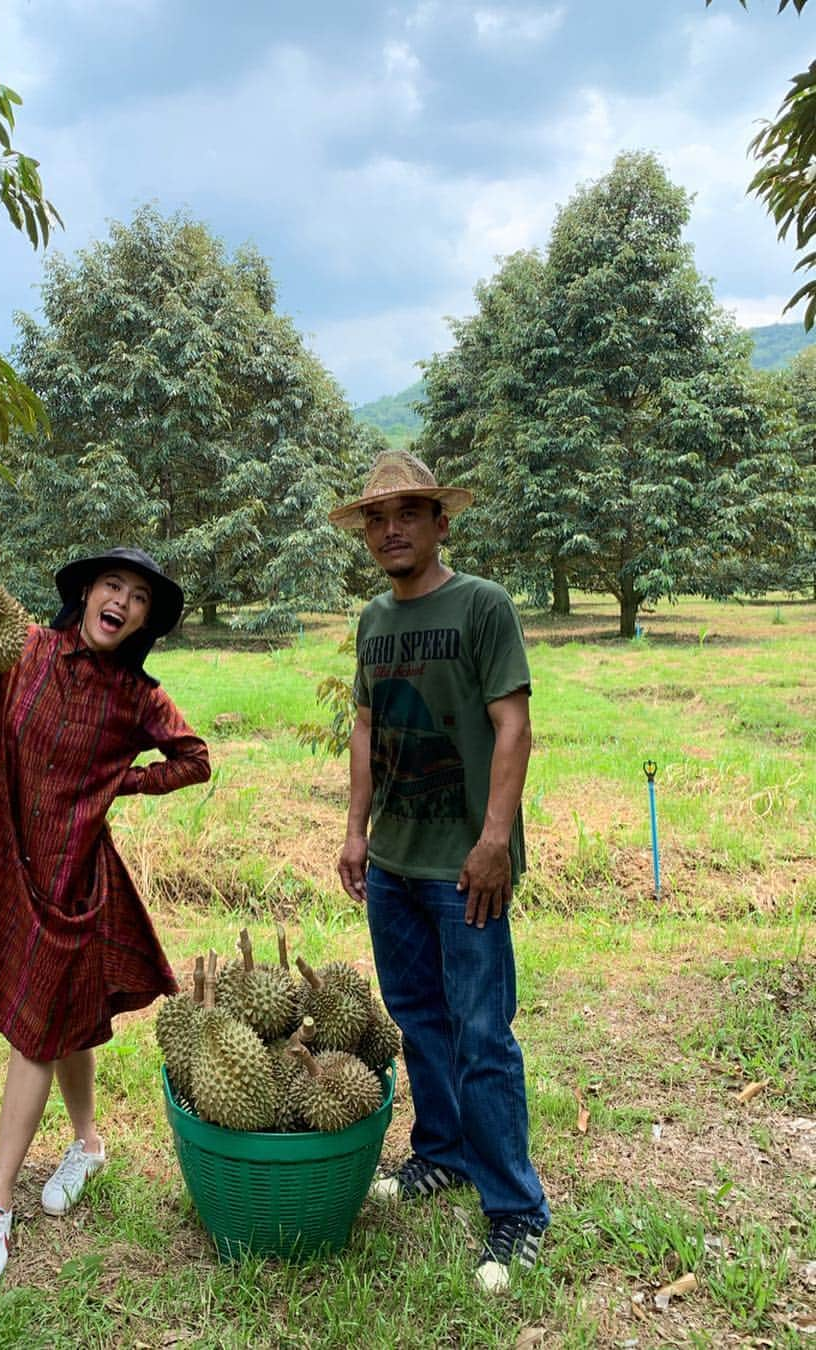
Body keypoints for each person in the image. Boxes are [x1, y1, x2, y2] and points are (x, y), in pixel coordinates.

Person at [0, 540, 210, 1290]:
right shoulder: (22, 651)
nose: (124, 604)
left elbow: (195, 758)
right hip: (8, 862)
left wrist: (120, 786)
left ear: (144, 622)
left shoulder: (138, 698)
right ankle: (89, 1144)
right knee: (63, 1016)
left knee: (36, 1029)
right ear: (87, 594)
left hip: (73, 879)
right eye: (114, 586)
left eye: (139, 599)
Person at [330, 451, 549, 1293]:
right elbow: (363, 729)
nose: (391, 530)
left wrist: (494, 841)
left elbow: (513, 727)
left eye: (409, 514)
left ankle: (516, 1213)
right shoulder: (374, 622)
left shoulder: (482, 606)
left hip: (466, 869)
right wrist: (356, 833)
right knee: (418, 1016)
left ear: (439, 524)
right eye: (377, 519)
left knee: (483, 1035)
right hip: (393, 862)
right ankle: (442, 1155)